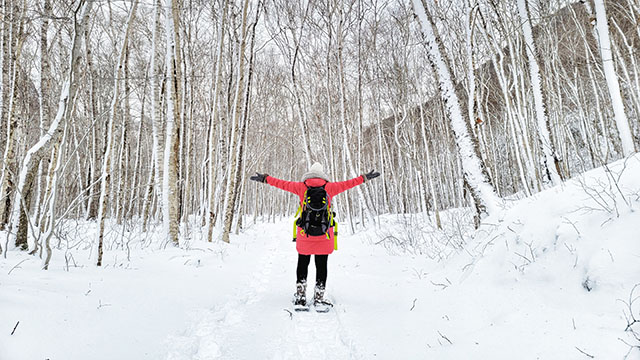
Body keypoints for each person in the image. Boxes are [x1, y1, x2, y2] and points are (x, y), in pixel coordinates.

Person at [250, 162, 380, 310]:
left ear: (309, 173)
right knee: (321, 265)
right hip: (324, 235)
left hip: (305, 234)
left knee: (303, 263)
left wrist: (266, 179)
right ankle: (319, 298)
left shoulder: (301, 187)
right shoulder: (330, 188)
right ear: (322, 174)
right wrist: (365, 178)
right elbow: (349, 184)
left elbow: (282, 184)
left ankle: (300, 297)